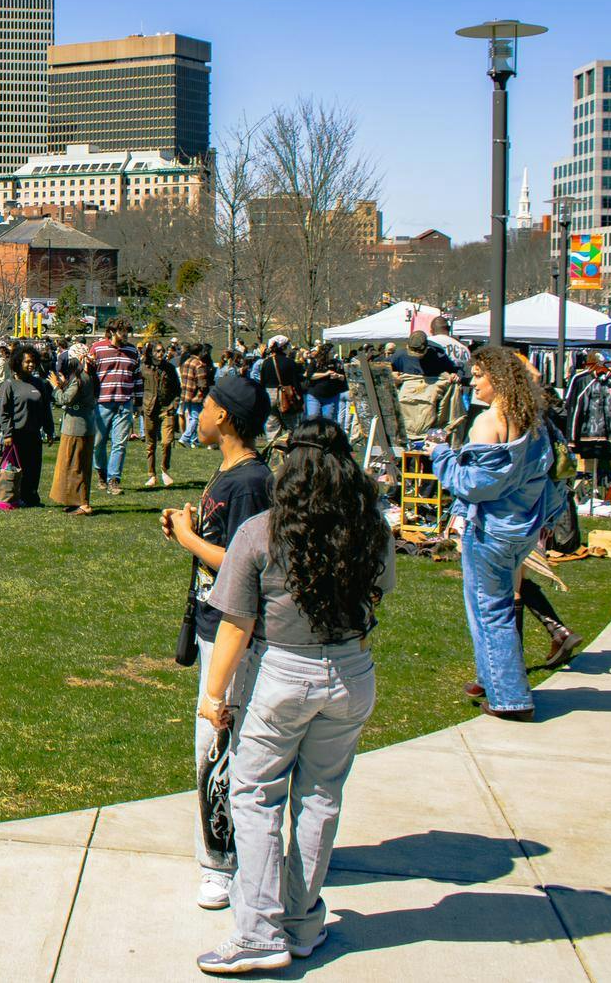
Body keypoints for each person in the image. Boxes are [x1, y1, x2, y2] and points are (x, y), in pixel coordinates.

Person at [195, 417, 395, 975]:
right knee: (321, 796)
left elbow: (235, 621)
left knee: (255, 794)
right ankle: (302, 921)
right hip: (353, 671)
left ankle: (258, 931)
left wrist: (215, 697)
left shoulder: (262, 531)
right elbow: (382, 590)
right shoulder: (369, 528)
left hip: (285, 672)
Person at [162, 371, 274, 911]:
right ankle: (226, 854)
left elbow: (243, 565)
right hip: (213, 622)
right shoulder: (231, 471)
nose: (197, 412)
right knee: (217, 737)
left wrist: (189, 538)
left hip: (234, 631)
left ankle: (221, 864)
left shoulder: (251, 482)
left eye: (204, 405)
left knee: (219, 740)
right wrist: (187, 530)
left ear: (224, 416)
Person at [432, 345, 570, 722]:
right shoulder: (536, 420)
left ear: (500, 379)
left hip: (492, 531)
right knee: (487, 608)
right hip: (523, 528)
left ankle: (510, 698)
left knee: (491, 611)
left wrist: (440, 455)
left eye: (479, 375)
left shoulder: (488, 422)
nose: (471, 382)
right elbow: (552, 476)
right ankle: (490, 676)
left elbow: (474, 485)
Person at [89, 320, 140, 494]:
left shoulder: (132, 351)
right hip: (101, 403)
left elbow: (137, 377)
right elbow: (88, 375)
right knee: (98, 443)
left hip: (124, 403)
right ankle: (101, 474)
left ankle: (114, 480)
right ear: (112, 331)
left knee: (120, 443)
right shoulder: (97, 349)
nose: (125, 334)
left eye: (127, 331)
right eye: (122, 331)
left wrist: (138, 402)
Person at [0, 342, 48, 506]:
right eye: (27, 362)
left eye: (33, 361)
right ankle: (15, 496)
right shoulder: (9, 384)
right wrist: (7, 433)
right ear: (18, 362)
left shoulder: (39, 383)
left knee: (34, 468)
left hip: (34, 433)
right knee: (18, 468)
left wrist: (49, 429)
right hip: (16, 435)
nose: (31, 365)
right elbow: (2, 411)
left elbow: (45, 408)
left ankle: (31, 496)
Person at [49, 348, 96, 515]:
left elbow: (65, 399)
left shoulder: (79, 378)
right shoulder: (89, 377)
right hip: (85, 426)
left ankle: (83, 503)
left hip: (76, 428)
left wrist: (55, 387)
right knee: (76, 464)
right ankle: (75, 500)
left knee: (75, 465)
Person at [139, 342, 179, 488]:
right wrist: (139, 405)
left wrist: (174, 405)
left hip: (166, 409)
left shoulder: (170, 368)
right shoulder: (144, 369)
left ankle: (164, 470)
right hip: (149, 409)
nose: (161, 353)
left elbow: (177, 390)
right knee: (150, 444)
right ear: (151, 353)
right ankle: (152, 474)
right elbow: (138, 387)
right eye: (157, 351)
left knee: (167, 442)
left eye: (163, 351)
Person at [302, 343, 348, 425]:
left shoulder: (337, 363)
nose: (334, 353)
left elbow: (344, 377)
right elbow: (310, 375)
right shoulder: (315, 362)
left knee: (329, 419)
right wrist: (325, 374)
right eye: (332, 351)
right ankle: (314, 436)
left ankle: (326, 436)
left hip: (331, 396)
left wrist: (337, 376)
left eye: (334, 351)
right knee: (313, 418)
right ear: (326, 352)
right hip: (315, 395)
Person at [179, 343, 213, 448]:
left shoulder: (186, 362)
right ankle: (185, 437)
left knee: (191, 417)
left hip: (185, 394)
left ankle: (194, 440)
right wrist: (202, 394)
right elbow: (202, 383)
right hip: (195, 395)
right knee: (196, 418)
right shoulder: (199, 364)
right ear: (200, 352)